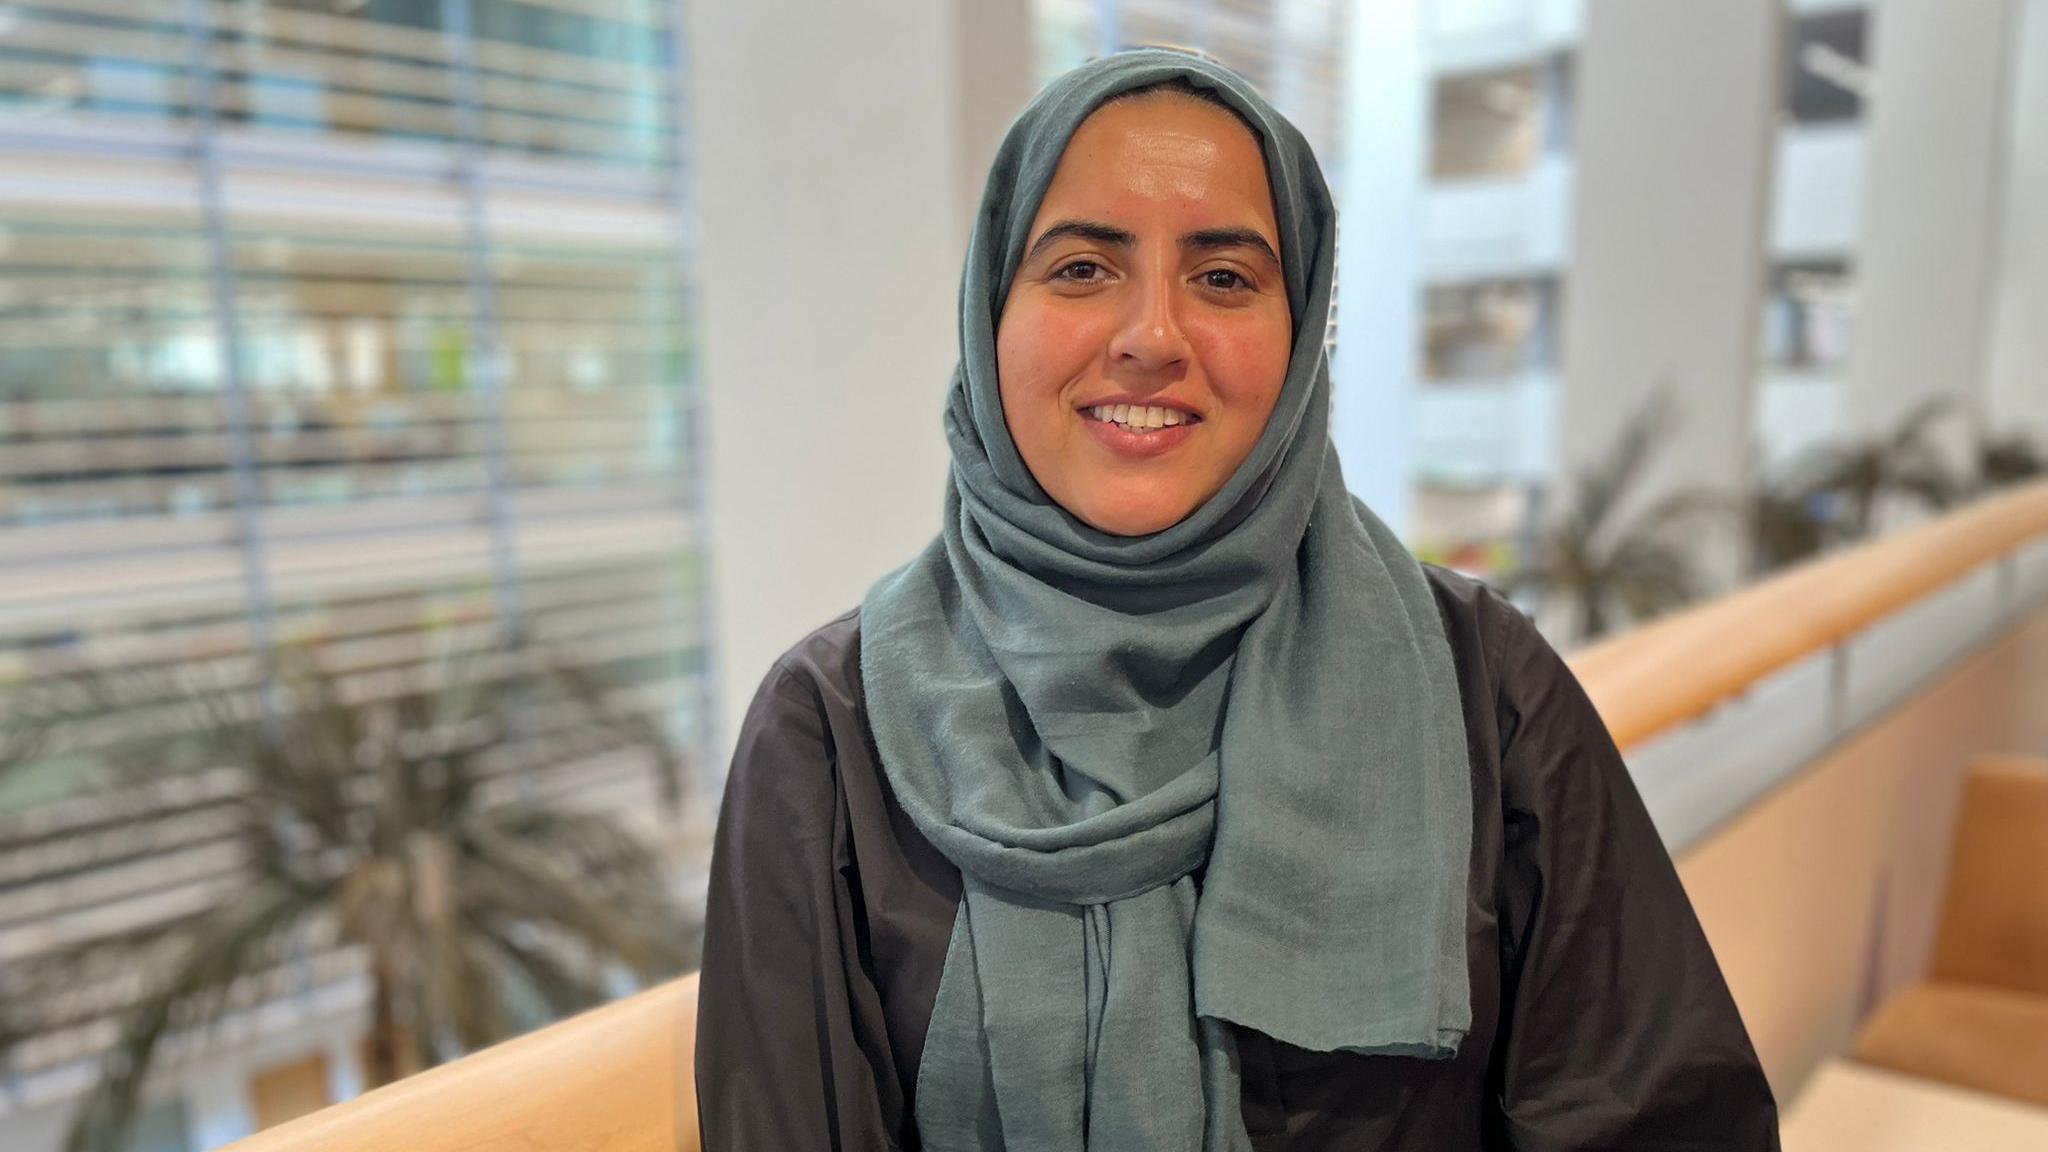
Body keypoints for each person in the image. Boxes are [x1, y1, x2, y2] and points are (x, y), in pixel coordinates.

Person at [695, 47, 1778, 1151]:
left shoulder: (1477, 688)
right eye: (1079, 268)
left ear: (1301, 332)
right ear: (989, 313)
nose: (1150, 337)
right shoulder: (830, 734)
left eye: (1222, 278)